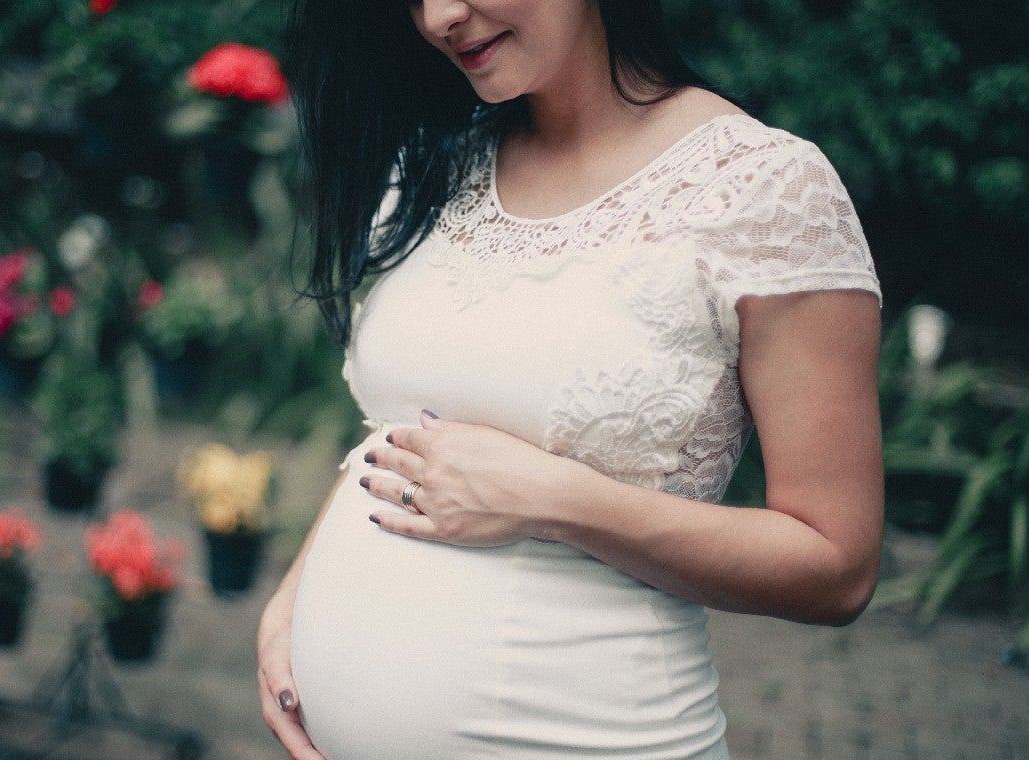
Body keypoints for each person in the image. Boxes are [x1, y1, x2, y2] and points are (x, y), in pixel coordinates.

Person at [258, 0, 884, 757]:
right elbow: (396, 435)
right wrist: (293, 599)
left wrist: (552, 499)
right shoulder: (439, 166)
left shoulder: (766, 191)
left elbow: (837, 569)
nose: (439, 18)